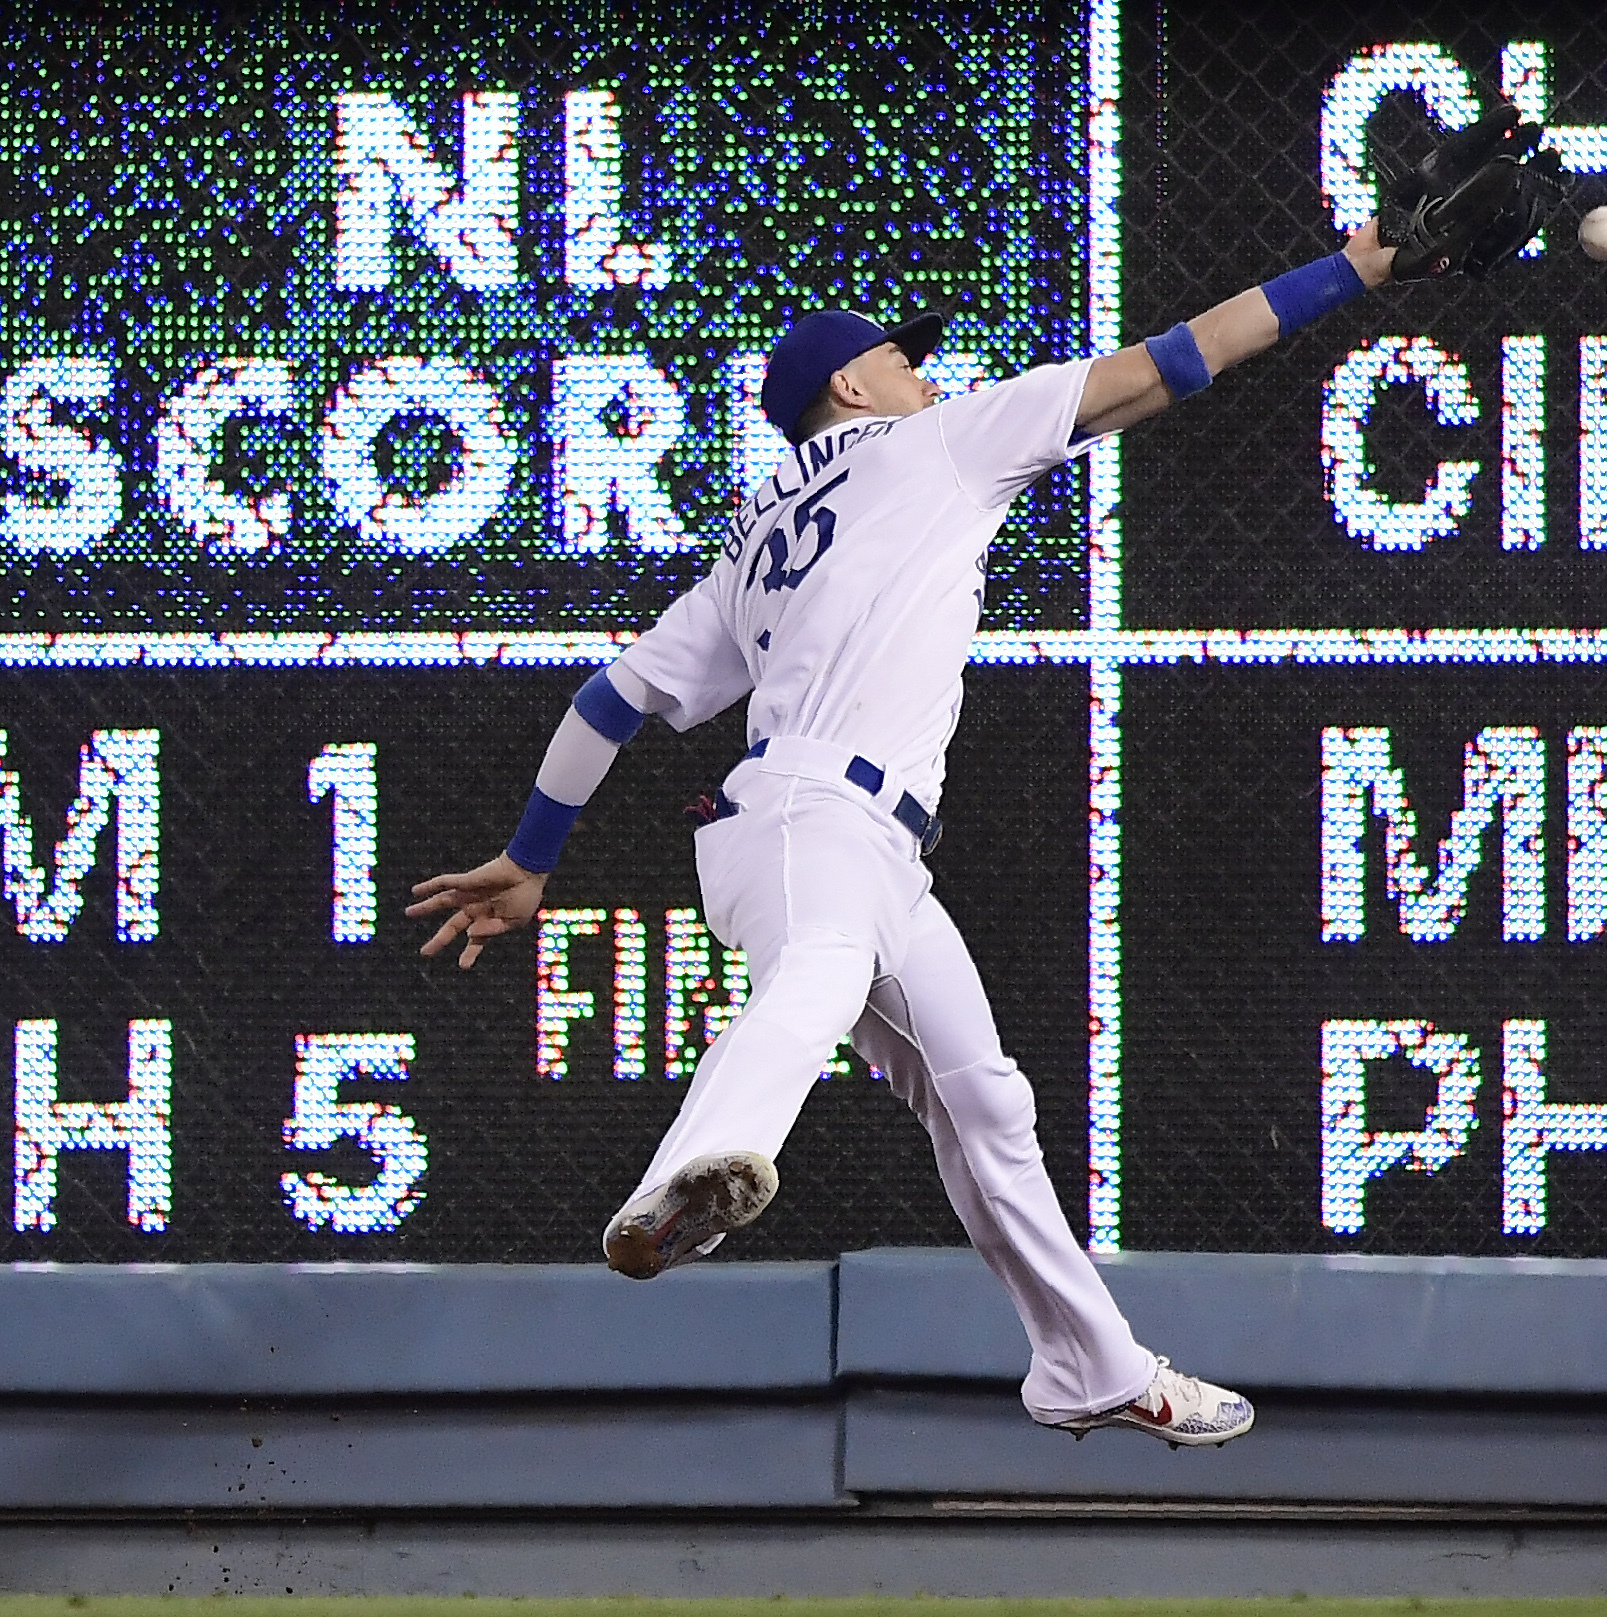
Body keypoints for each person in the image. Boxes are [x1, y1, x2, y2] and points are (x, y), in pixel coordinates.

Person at [407, 212, 1408, 1448]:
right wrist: (1352, 269)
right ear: (851, 383)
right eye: (903, 353)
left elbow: (607, 701)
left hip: (862, 842)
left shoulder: (755, 535)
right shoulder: (934, 440)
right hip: (808, 818)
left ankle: (1091, 1367)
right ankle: (699, 1166)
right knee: (823, 969)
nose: (925, 368)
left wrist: (533, 855)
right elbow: (1172, 361)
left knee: (984, 1101)